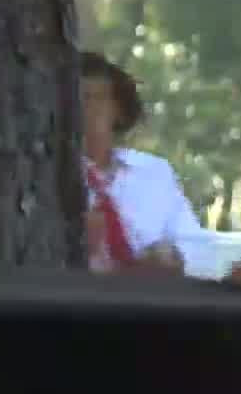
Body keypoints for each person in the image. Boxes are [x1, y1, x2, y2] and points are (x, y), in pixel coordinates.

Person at [78, 51, 211, 274]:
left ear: (119, 109)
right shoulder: (47, 175)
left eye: (98, 97)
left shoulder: (153, 173)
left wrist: (171, 256)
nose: (88, 108)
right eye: (80, 98)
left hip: (155, 302)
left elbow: (194, 244)